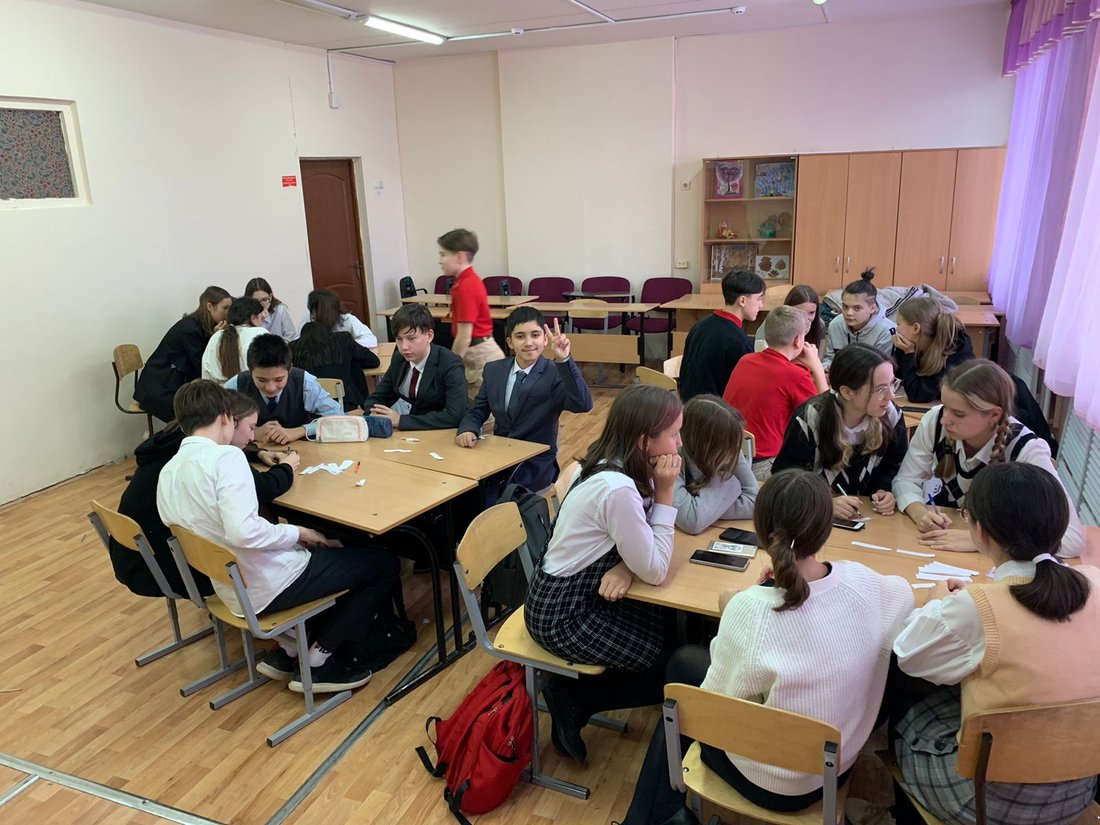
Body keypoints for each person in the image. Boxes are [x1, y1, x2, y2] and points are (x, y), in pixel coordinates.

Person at [619, 470, 913, 825]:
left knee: (682, 685)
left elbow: (716, 704)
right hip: (832, 772)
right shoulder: (864, 583)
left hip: (768, 782)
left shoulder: (750, 611)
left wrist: (733, 609)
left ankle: (651, 817)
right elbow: (904, 596)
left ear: (761, 529)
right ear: (827, 529)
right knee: (686, 670)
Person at [156, 381, 400, 692]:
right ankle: (319, 659)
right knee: (383, 564)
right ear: (225, 417)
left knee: (328, 553)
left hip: (230, 589)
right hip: (266, 585)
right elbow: (243, 532)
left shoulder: (170, 470)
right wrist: (298, 532)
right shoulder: (226, 458)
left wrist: (292, 537)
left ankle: (290, 649)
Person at [892, 463, 1100, 825]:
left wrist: (936, 603)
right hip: (1078, 788)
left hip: (988, 801)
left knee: (903, 703)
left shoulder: (979, 606)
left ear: (979, 531)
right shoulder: (1093, 582)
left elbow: (908, 656)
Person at [524, 385, 683, 763]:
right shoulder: (617, 488)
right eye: (674, 434)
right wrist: (666, 493)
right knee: (669, 665)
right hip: (562, 614)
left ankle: (577, 693)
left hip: (576, 594)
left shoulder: (613, 461)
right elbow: (656, 570)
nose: (680, 444)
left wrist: (627, 565)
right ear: (644, 441)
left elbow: (640, 541)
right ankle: (574, 699)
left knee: (672, 626)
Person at [106, 391, 299, 600]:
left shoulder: (176, 442)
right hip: (168, 568)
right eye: (250, 428)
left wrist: (257, 453)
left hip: (136, 558)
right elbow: (262, 488)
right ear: (228, 421)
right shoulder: (211, 457)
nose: (252, 437)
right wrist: (287, 467)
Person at [893, 359, 1083, 556]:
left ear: (994, 415)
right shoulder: (935, 420)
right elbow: (905, 480)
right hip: (948, 543)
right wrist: (919, 513)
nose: (945, 420)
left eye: (958, 414)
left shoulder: (1026, 449)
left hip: (997, 559)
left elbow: (1072, 539)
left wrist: (985, 541)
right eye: (945, 406)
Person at [456, 307, 592, 497]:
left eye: (535, 335)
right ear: (510, 342)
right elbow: (478, 410)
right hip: (499, 456)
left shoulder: (555, 373)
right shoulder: (494, 370)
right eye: (520, 336)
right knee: (462, 489)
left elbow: (583, 404)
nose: (528, 343)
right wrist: (468, 428)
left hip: (535, 463)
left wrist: (564, 360)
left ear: (545, 339)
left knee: (494, 497)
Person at [773, 343, 908, 519]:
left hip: (869, 515)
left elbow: (894, 466)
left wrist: (884, 490)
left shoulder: (890, 415)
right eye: (881, 389)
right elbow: (785, 478)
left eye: (892, 384)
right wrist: (824, 503)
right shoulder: (810, 417)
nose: (891, 396)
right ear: (847, 392)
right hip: (815, 518)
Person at [722, 306, 828, 481]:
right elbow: (825, 415)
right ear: (798, 341)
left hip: (729, 457)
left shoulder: (745, 360)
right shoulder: (795, 375)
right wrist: (816, 366)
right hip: (764, 466)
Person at [134, 286, 232, 422]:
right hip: (158, 389)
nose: (228, 313)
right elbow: (203, 365)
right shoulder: (190, 329)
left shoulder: (200, 325)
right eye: (225, 308)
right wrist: (216, 338)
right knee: (201, 417)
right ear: (210, 306)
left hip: (171, 382)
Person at [224, 333, 342, 445]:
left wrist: (300, 431)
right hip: (252, 452)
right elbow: (216, 426)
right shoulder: (235, 386)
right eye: (262, 380)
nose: (271, 388)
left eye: (279, 379)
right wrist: (252, 432)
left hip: (301, 449)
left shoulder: (305, 382)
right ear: (250, 371)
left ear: (289, 370)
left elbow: (338, 417)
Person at [365, 304, 467, 431]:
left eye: (411, 338)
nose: (404, 347)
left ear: (429, 336)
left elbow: (454, 415)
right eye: (399, 339)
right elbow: (379, 396)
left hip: (440, 432)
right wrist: (373, 413)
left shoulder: (449, 363)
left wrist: (401, 420)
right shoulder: (399, 358)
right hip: (409, 434)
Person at [673, 395, 758, 535]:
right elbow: (692, 521)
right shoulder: (672, 455)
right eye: (725, 447)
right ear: (704, 445)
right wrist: (728, 485)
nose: (733, 454)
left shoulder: (730, 446)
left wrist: (705, 510)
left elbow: (755, 502)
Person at [679, 269, 765, 402]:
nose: (761, 305)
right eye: (758, 299)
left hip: (688, 402)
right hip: (715, 409)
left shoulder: (701, 324)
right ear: (742, 300)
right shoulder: (738, 341)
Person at [438, 228, 505, 399]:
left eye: (443, 254)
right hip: (477, 352)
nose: (440, 261)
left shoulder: (466, 285)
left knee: (481, 411)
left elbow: (464, 337)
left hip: (479, 356)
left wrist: (450, 367)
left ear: (460, 257)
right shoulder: (465, 281)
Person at [891, 297, 974, 403]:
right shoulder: (909, 343)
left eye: (898, 324)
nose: (896, 329)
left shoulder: (954, 350)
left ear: (916, 328)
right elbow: (895, 375)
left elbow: (917, 395)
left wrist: (908, 354)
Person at [290, 320, 380, 412]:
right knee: (354, 364)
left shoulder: (293, 347)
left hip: (310, 408)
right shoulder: (343, 339)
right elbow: (374, 361)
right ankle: (367, 407)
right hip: (346, 403)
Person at [822, 270, 895, 370]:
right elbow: (830, 358)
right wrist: (824, 368)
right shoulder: (836, 324)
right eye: (845, 306)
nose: (849, 313)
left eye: (857, 308)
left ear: (872, 308)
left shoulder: (886, 331)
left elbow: (881, 369)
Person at [201, 297, 267, 382]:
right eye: (261, 318)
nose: (262, 322)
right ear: (253, 318)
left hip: (216, 389)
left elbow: (206, 374)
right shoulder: (260, 333)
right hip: (249, 388)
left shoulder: (216, 336)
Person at [754, 284, 826, 360]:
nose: (805, 319)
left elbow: (818, 359)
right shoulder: (773, 321)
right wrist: (801, 334)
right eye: (800, 312)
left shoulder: (819, 325)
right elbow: (762, 355)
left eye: (811, 313)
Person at [300, 288, 378, 350]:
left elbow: (371, 340)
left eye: (313, 310)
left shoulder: (347, 319)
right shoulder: (308, 320)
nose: (312, 315)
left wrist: (344, 345)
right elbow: (297, 343)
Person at [244, 276, 296, 341]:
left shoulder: (280, 310)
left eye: (264, 300)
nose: (261, 305)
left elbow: (291, 337)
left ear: (270, 297)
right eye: (256, 301)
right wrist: (260, 321)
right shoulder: (244, 315)